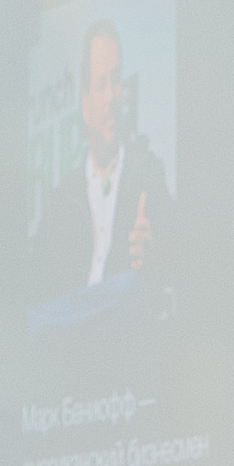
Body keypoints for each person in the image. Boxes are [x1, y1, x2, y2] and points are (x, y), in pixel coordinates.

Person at [43, 17, 172, 292]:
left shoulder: (149, 175)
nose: (112, 96)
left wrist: (154, 256)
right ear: (84, 101)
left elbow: (170, 268)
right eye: (101, 84)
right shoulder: (63, 198)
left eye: (116, 80)